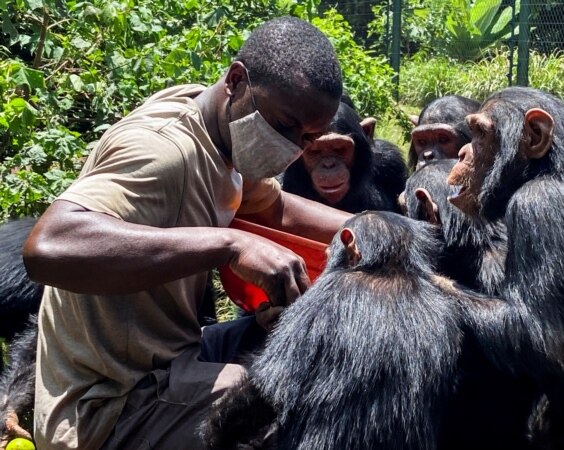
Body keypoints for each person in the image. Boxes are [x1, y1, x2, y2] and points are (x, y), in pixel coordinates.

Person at [19, 17, 351, 450]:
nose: (293, 147)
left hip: (173, 357)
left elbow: (276, 207)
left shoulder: (219, 127)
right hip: (111, 403)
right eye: (286, 126)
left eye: (307, 137)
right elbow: (47, 246)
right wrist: (229, 245)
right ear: (236, 81)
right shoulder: (162, 152)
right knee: (300, 408)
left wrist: (372, 225)